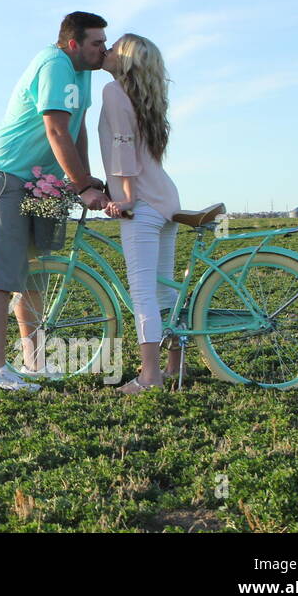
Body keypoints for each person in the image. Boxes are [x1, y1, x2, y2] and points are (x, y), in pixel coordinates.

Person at [0, 11, 109, 392]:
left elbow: (76, 125)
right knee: (0, 277)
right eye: (96, 43)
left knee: (37, 273)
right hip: (7, 175)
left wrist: (83, 176)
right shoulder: (54, 64)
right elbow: (54, 127)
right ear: (73, 44)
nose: (105, 49)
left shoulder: (82, 72)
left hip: (43, 180)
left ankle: (33, 361)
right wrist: (83, 186)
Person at [98, 33, 183, 394]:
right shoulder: (146, 98)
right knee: (164, 290)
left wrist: (127, 197)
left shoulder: (114, 91)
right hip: (165, 199)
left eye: (114, 48)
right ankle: (174, 366)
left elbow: (123, 146)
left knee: (144, 292)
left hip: (143, 203)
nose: (106, 51)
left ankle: (149, 377)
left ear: (125, 59)